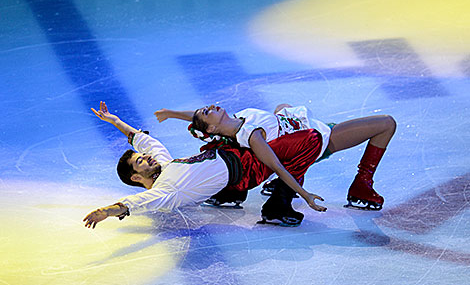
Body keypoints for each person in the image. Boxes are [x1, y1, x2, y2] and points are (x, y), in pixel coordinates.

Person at [83, 101, 327, 229]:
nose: (146, 157)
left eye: (142, 156)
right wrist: (108, 211)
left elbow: (147, 143)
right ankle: (279, 203)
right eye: (140, 161)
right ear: (136, 178)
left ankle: (230, 195)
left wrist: (115, 121)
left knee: (225, 127)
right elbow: (140, 203)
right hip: (247, 167)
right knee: (310, 140)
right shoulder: (166, 192)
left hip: (231, 152)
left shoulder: (165, 166)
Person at [154, 104, 396, 211]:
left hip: (298, 124)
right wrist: (305, 195)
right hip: (320, 139)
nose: (210, 106)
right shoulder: (253, 136)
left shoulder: (239, 118)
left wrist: (171, 113)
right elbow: (277, 165)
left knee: (283, 105)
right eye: (208, 112)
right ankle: (362, 184)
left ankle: (361, 184)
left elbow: (198, 118)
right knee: (386, 124)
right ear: (212, 129)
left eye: (207, 107)